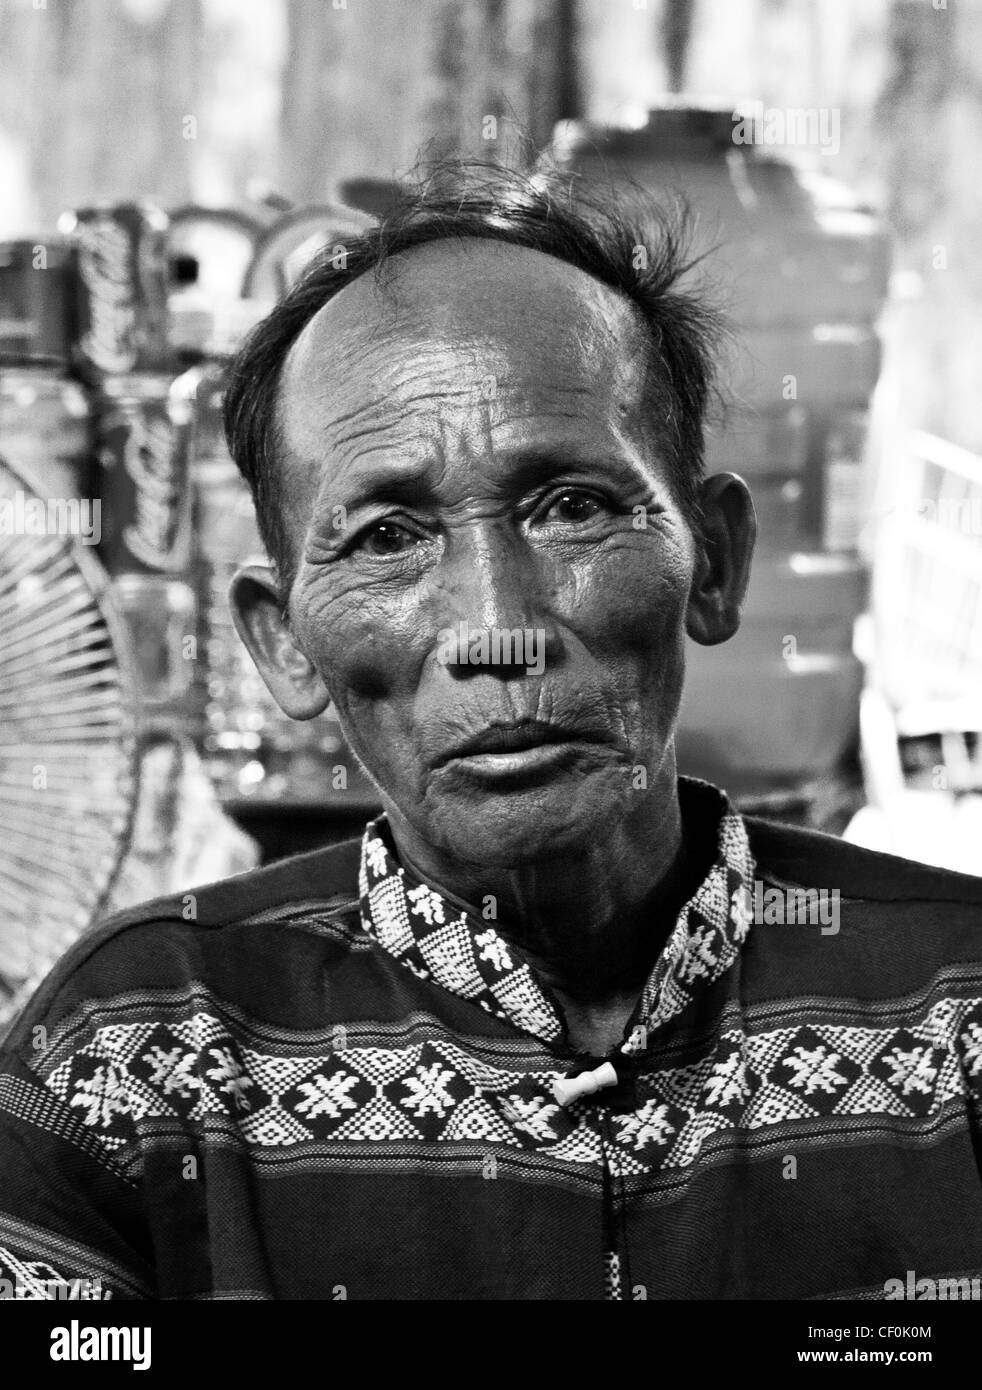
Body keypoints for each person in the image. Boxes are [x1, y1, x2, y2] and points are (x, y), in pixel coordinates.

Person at [1, 164, 980, 1302]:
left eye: (573, 506)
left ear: (712, 560)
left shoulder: (955, 1007)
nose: (498, 631)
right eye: (387, 536)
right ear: (279, 644)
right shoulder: (132, 1057)